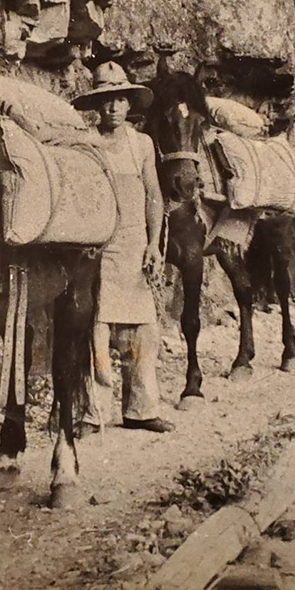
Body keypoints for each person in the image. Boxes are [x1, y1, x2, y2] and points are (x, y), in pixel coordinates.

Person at [72, 62, 175, 435]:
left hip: (134, 245)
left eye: (119, 100)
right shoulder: (84, 141)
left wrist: (153, 244)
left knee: (143, 331)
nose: (113, 108)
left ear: (129, 103)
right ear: (96, 106)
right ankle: (92, 412)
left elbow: (153, 197)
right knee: (95, 330)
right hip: (97, 247)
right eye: (106, 101)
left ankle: (142, 409)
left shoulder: (142, 144)